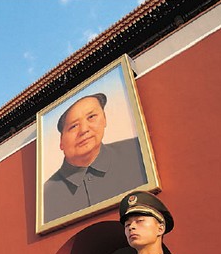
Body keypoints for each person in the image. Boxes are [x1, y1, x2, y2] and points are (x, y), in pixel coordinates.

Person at [43, 93, 147, 223]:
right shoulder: (46, 196)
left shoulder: (137, 152)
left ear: (104, 119)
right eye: (73, 126)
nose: (84, 130)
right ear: (61, 142)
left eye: (91, 117)